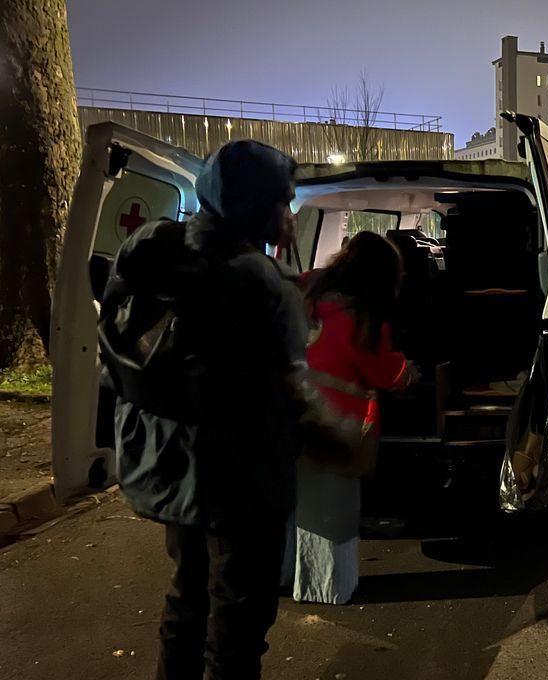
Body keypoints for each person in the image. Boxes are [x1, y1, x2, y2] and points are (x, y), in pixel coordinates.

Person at [105, 140, 321, 679]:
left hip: (171, 472)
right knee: (238, 628)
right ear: (256, 208)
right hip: (241, 485)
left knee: (187, 602)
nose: (290, 214)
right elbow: (295, 391)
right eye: (283, 202)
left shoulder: (152, 250)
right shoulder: (263, 282)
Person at [285, 232, 416, 604]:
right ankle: (324, 588)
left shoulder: (304, 287)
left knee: (287, 507)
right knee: (330, 514)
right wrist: (410, 371)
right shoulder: (364, 320)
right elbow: (386, 374)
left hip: (283, 414)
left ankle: (278, 576)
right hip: (331, 427)